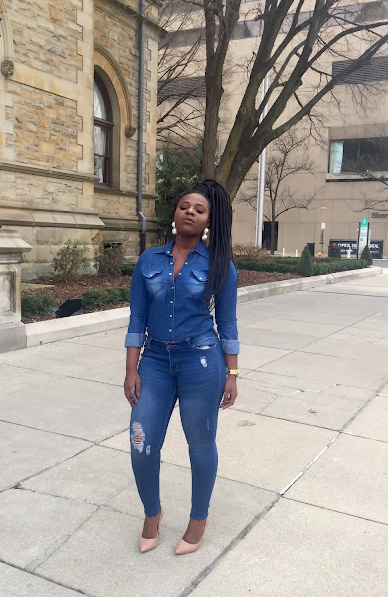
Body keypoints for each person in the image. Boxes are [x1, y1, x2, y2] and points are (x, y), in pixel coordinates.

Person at [124, 178, 239, 555]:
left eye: (199, 210)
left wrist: (233, 373)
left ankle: (198, 520)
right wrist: (131, 368)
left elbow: (228, 322)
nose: (190, 212)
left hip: (201, 361)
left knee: (200, 443)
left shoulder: (220, 266)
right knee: (141, 440)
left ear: (209, 221)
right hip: (155, 361)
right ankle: (152, 513)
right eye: (184, 206)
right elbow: (137, 318)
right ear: (175, 213)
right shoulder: (148, 261)